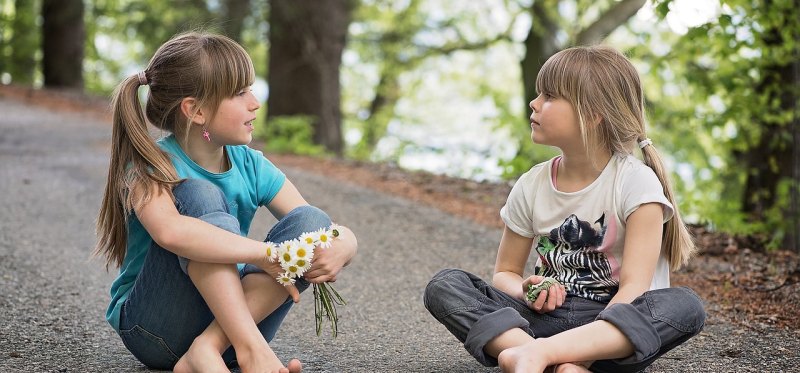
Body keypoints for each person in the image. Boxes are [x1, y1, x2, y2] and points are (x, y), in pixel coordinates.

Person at [423, 45, 705, 373]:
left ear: (594, 113)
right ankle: (543, 357)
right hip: (540, 320)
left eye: (550, 96)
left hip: (610, 332)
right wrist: (525, 290)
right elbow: (505, 273)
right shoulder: (532, 184)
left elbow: (633, 289)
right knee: (445, 285)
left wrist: (581, 351)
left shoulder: (635, 184)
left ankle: (540, 357)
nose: (535, 103)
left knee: (686, 306)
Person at [94, 32, 358, 373]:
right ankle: (251, 351)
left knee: (311, 220)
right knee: (197, 194)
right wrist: (266, 255)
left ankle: (210, 348)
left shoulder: (250, 164)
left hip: (233, 327)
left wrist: (344, 244)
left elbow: (317, 226)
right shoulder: (150, 166)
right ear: (196, 110)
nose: (255, 102)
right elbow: (171, 233)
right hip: (156, 330)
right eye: (239, 93)